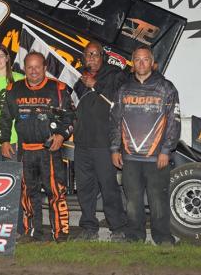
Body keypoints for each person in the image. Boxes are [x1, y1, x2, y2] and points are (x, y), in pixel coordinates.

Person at [0, 52, 74, 242]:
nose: (33, 71)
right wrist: (5, 141)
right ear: (24, 68)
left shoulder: (58, 88)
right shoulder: (13, 89)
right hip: (25, 151)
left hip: (50, 151)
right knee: (28, 193)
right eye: (29, 67)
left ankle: (60, 233)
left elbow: (71, 118)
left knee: (55, 192)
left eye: (37, 67)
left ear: (45, 67)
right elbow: (5, 118)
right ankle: (33, 232)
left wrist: (61, 135)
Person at [110, 45, 181, 245]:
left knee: (158, 200)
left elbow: (174, 122)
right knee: (133, 201)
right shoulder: (123, 89)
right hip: (130, 157)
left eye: (145, 59)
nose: (141, 63)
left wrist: (166, 151)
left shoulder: (166, 88)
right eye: (138, 60)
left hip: (157, 156)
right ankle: (135, 235)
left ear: (153, 62)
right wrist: (115, 149)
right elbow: (115, 121)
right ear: (132, 64)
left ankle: (162, 237)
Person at [73, 40, 128, 241]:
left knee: (109, 187)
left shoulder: (115, 74)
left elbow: (121, 100)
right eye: (88, 55)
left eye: (95, 54)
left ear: (102, 56)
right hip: (82, 143)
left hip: (105, 143)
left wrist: (96, 85)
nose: (91, 58)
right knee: (85, 188)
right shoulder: (78, 77)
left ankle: (118, 227)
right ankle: (89, 228)